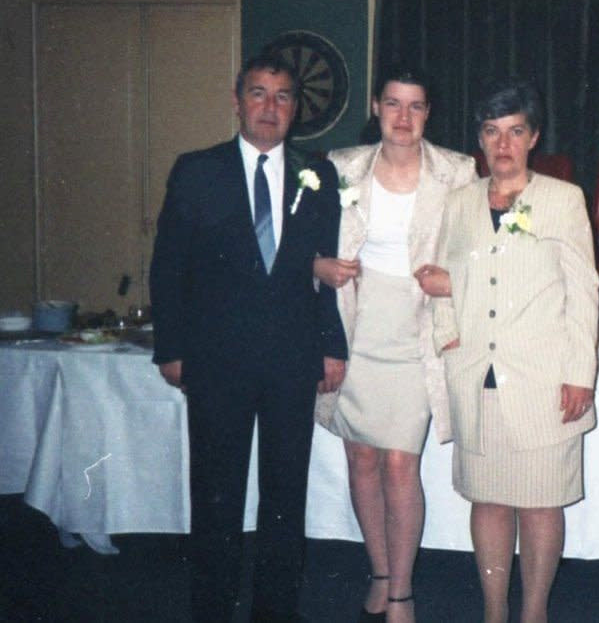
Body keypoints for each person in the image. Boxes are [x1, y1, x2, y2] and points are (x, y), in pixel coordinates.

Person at [149, 53, 347, 623]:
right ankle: (210, 610)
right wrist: (172, 348)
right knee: (217, 498)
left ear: (295, 109)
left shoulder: (320, 176)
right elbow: (169, 267)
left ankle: (275, 611)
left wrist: (331, 344)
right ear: (237, 102)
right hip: (216, 361)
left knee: (286, 500)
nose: (270, 107)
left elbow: (324, 269)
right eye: (258, 94)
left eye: (282, 96)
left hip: (290, 359)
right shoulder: (196, 170)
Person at [430, 79, 599, 623]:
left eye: (515, 132)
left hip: (546, 380)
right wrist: (447, 337)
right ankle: (493, 612)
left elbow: (583, 291)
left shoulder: (563, 199)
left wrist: (581, 374)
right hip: (479, 377)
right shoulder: (457, 204)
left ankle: (534, 614)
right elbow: (438, 277)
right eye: (491, 132)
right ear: (480, 140)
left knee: (542, 502)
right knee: (490, 500)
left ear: (533, 138)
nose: (502, 145)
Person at [313, 65, 476, 623]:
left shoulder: (457, 171)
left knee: (401, 464)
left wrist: (452, 279)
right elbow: (307, 242)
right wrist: (320, 265)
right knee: (360, 456)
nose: (403, 117)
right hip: (355, 320)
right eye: (392, 104)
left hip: (417, 326)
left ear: (428, 113)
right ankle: (379, 572)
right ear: (376, 108)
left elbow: (480, 249)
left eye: (415, 106)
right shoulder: (341, 166)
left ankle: (403, 591)